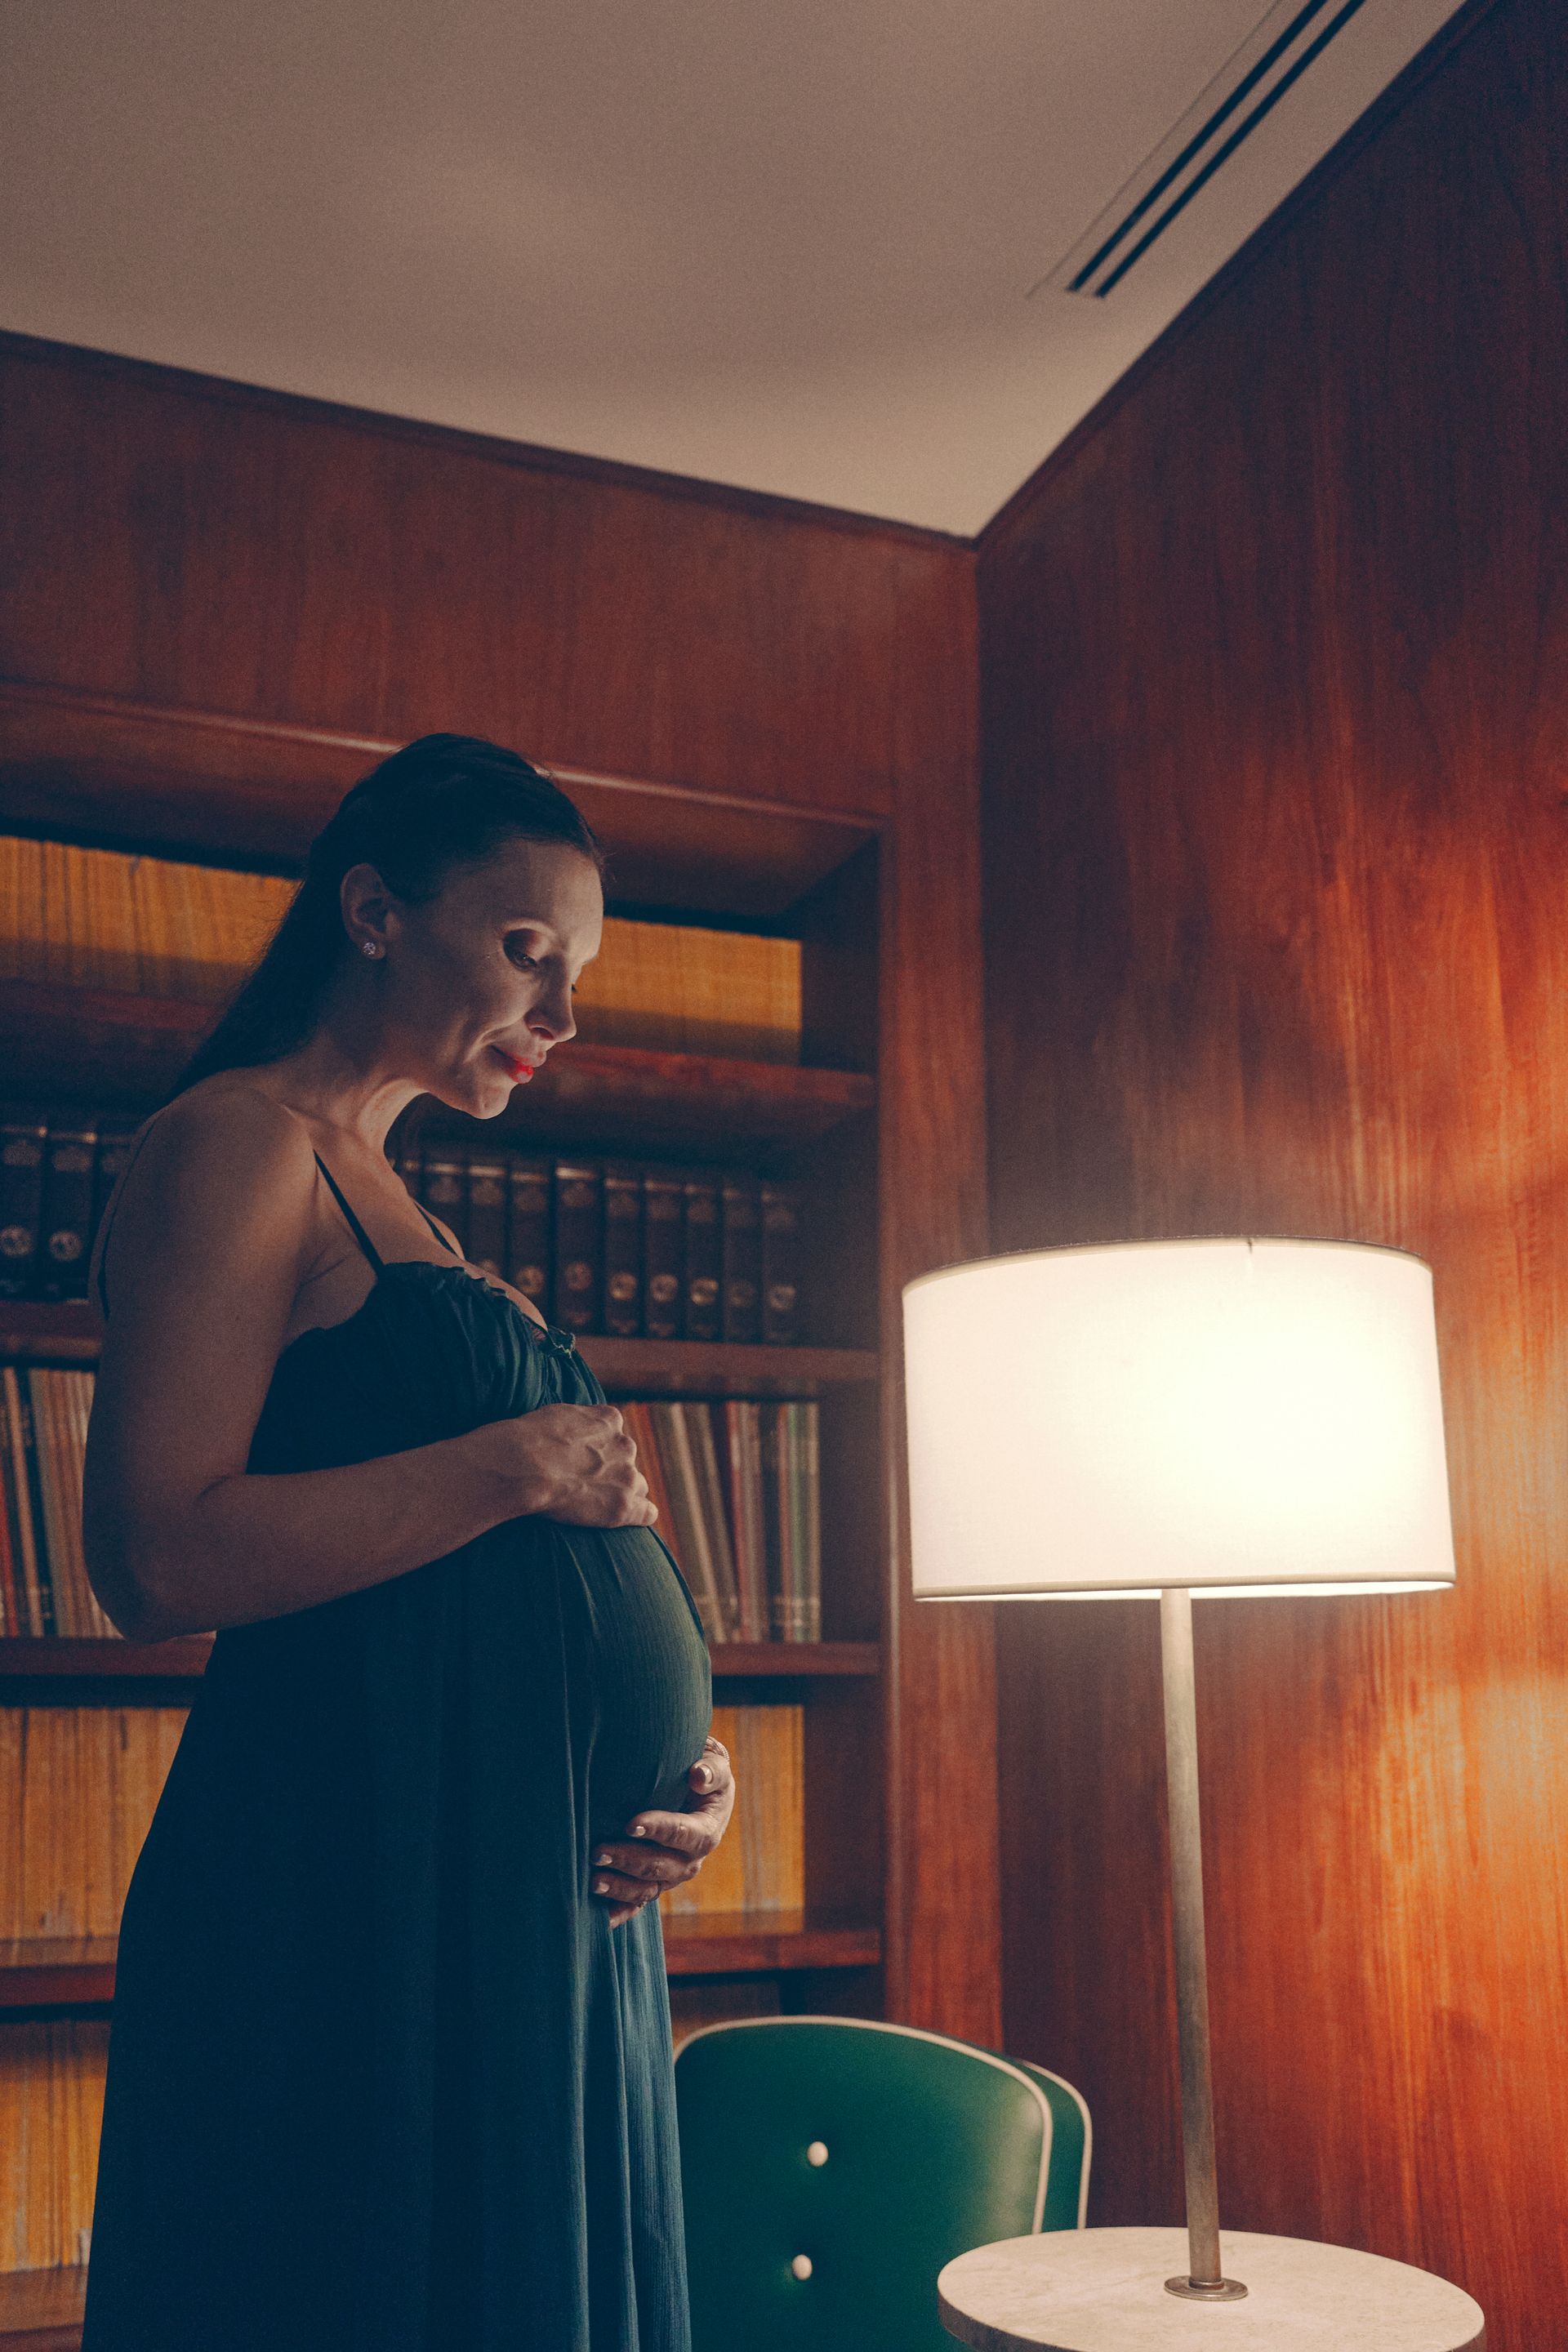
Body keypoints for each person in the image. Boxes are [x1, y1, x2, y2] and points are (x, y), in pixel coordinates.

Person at [78, 734, 734, 2352]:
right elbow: (156, 1561)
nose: (563, 1015)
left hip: (519, 1892)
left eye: (576, 970)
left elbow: (514, 1597)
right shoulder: (239, 1143)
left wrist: (679, 1769)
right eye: (528, 953)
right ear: (373, 911)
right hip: (361, 1892)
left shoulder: (402, 1203)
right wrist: (511, 1463)